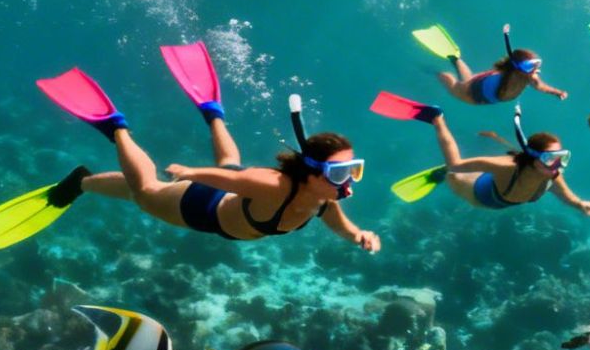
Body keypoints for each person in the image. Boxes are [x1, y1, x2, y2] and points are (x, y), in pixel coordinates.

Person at [41, 65, 381, 250]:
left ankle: (212, 112)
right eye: (340, 172)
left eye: (353, 170)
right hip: (202, 207)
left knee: (230, 160)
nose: (348, 181)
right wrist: (191, 173)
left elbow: (340, 226)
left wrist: (359, 236)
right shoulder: (275, 185)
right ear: (311, 174)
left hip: (231, 199)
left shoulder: (323, 200)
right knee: (145, 192)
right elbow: (231, 180)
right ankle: (115, 129)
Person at [396, 107, 590, 216]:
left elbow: (566, 196)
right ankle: (437, 120)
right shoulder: (506, 167)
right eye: (551, 159)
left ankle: (470, 158)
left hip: (500, 198)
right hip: (479, 193)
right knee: (454, 173)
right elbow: (456, 162)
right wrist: (438, 124)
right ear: (535, 158)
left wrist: (580, 204)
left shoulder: (552, 175)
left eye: (562, 157)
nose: (558, 165)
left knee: (475, 165)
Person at [416, 23, 570, 106]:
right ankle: (431, 70)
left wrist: (557, 92)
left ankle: (455, 58)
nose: (535, 70)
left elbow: (541, 87)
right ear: (517, 69)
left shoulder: (530, 77)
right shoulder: (509, 75)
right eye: (530, 67)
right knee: (449, 79)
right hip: (473, 95)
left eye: (536, 65)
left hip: (482, 84)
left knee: (468, 78)